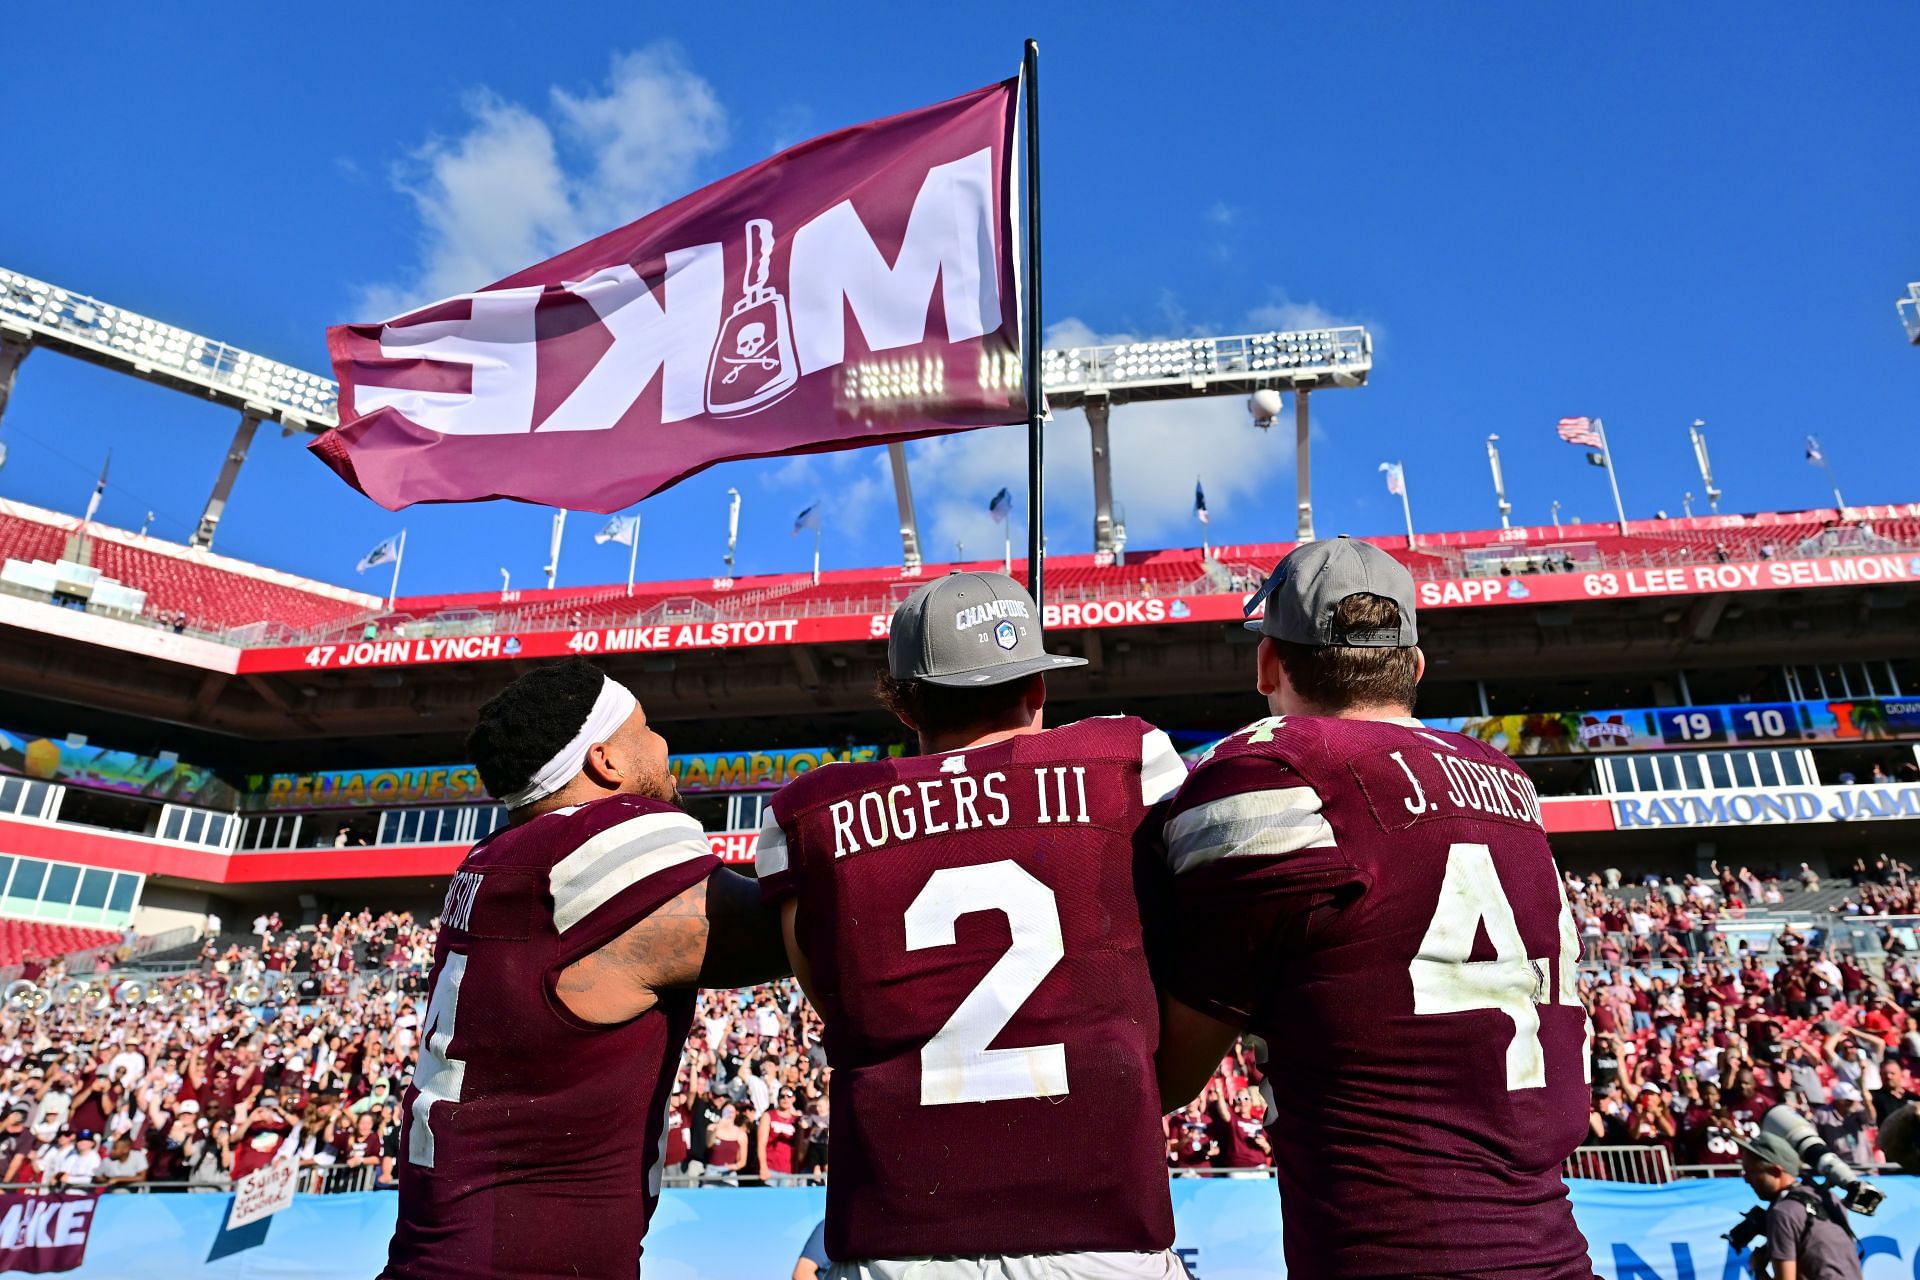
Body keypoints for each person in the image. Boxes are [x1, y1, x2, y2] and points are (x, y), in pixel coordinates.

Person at [1153, 537, 1595, 1279]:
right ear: (1415, 667)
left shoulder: (1275, 769)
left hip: (1393, 1248)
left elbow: (1173, 1072)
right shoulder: (1508, 782)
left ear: (1268, 663)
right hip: (1556, 1248)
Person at [755, 572, 1190, 1277]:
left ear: (903, 706)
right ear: (1038, 689)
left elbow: (834, 994)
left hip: (903, 1237)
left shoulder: (806, 815)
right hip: (1098, 1229)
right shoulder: (1128, 760)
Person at [382, 660, 789, 1280]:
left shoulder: (498, 856)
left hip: (441, 1253)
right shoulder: (593, 845)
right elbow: (788, 931)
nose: (664, 743)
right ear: (605, 762)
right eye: (647, 729)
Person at [1737, 1132, 1862, 1280]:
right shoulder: (1828, 1198)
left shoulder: (1783, 1212)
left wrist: (1758, 1269)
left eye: (1751, 1172)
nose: (1745, 1179)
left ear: (1776, 1171)